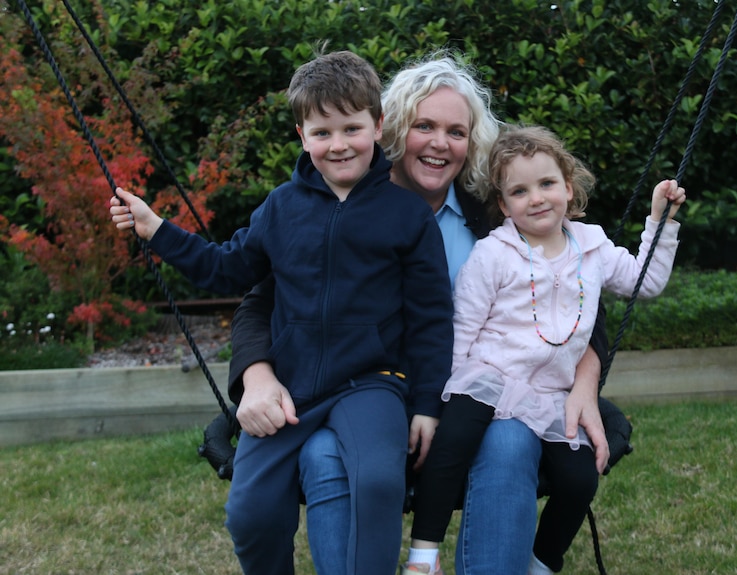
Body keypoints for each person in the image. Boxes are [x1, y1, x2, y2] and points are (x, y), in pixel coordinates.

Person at [228, 54, 612, 575]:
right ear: (391, 129)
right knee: (323, 454)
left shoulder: (497, 217)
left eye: (456, 131)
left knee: (507, 442)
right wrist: (257, 375)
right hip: (354, 396)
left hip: (478, 406)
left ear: (471, 143)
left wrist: (584, 385)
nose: (438, 143)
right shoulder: (337, 204)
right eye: (423, 126)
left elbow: (582, 304)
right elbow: (262, 299)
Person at [109, 50, 454, 575]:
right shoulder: (280, 208)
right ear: (301, 134)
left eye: (351, 128)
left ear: (378, 125)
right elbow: (226, 270)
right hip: (289, 390)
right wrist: (158, 230)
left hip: (372, 383)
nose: (338, 145)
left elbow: (431, 316)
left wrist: (426, 402)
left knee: (379, 484)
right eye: (322, 132)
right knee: (249, 514)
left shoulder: (406, 215)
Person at [404, 125, 686, 574]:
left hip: (551, 394)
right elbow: (464, 326)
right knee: (450, 448)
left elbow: (645, 281)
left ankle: (542, 561)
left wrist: (661, 222)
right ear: (503, 205)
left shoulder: (591, 247)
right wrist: (447, 395)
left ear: (568, 188)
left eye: (547, 184)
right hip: (488, 379)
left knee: (580, 478)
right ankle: (422, 555)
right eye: (519, 190)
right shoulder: (494, 254)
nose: (536, 198)